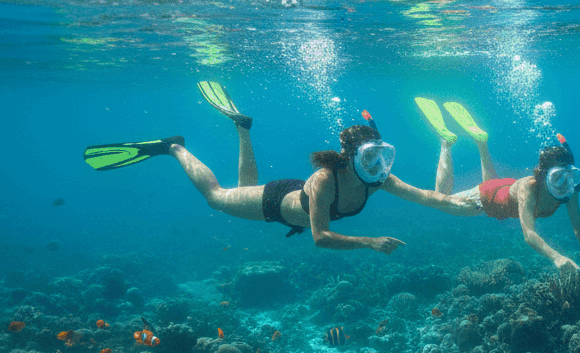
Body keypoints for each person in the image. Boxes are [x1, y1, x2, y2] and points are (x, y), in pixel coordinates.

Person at [83, 81, 430, 254]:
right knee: (216, 197)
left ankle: (242, 127)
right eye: (370, 156)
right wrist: (370, 242)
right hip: (275, 203)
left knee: (242, 187)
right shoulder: (328, 179)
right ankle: (173, 147)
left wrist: (456, 201)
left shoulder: (368, 175)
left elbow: (426, 196)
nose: (378, 165)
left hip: (293, 195)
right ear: (355, 155)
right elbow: (320, 237)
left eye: (381, 156)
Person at [408, 98, 580, 271]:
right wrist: (557, 257)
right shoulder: (528, 189)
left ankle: (481, 143)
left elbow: (578, 224)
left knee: (490, 184)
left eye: (570, 175)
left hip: (504, 189)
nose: (564, 183)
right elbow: (529, 234)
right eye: (557, 177)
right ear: (543, 176)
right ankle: (446, 142)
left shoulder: (569, 188)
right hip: (487, 198)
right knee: (441, 198)